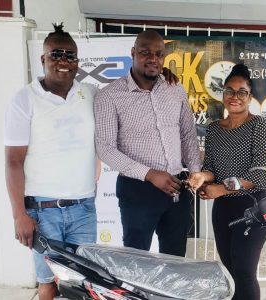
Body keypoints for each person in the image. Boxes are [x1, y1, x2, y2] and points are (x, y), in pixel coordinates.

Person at [4, 24, 98, 300]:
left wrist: (160, 76)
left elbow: (126, 99)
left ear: (77, 62)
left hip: (84, 209)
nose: (63, 61)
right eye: (56, 54)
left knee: (85, 286)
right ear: (42, 59)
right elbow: (12, 161)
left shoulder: (90, 95)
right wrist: (19, 214)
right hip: (42, 212)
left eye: (70, 55)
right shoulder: (25, 99)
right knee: (48, 285)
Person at [94, 30, 201, 257]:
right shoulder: (109, 96)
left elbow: (187, 134)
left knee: (175, 261)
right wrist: (150, 174)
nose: (153, 59)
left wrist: (194, 172)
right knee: (136, 261)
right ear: (133, 53)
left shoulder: (175, 89)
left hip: (177, 187)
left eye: (158, 54)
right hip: (137, 189)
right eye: (145, 53)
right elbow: (105, 148)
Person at [188, 64, 266, 300]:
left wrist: (221, 189)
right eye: (229, 91)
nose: (234, 97)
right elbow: (212, 169)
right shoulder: (214, 129)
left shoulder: (259, 126)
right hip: (224, 210)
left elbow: (262, 174)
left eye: (241, 92)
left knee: (245, 272)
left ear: (250, 97)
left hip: (252, 207)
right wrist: (202, 177)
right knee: (230, 272)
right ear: (223, 94)